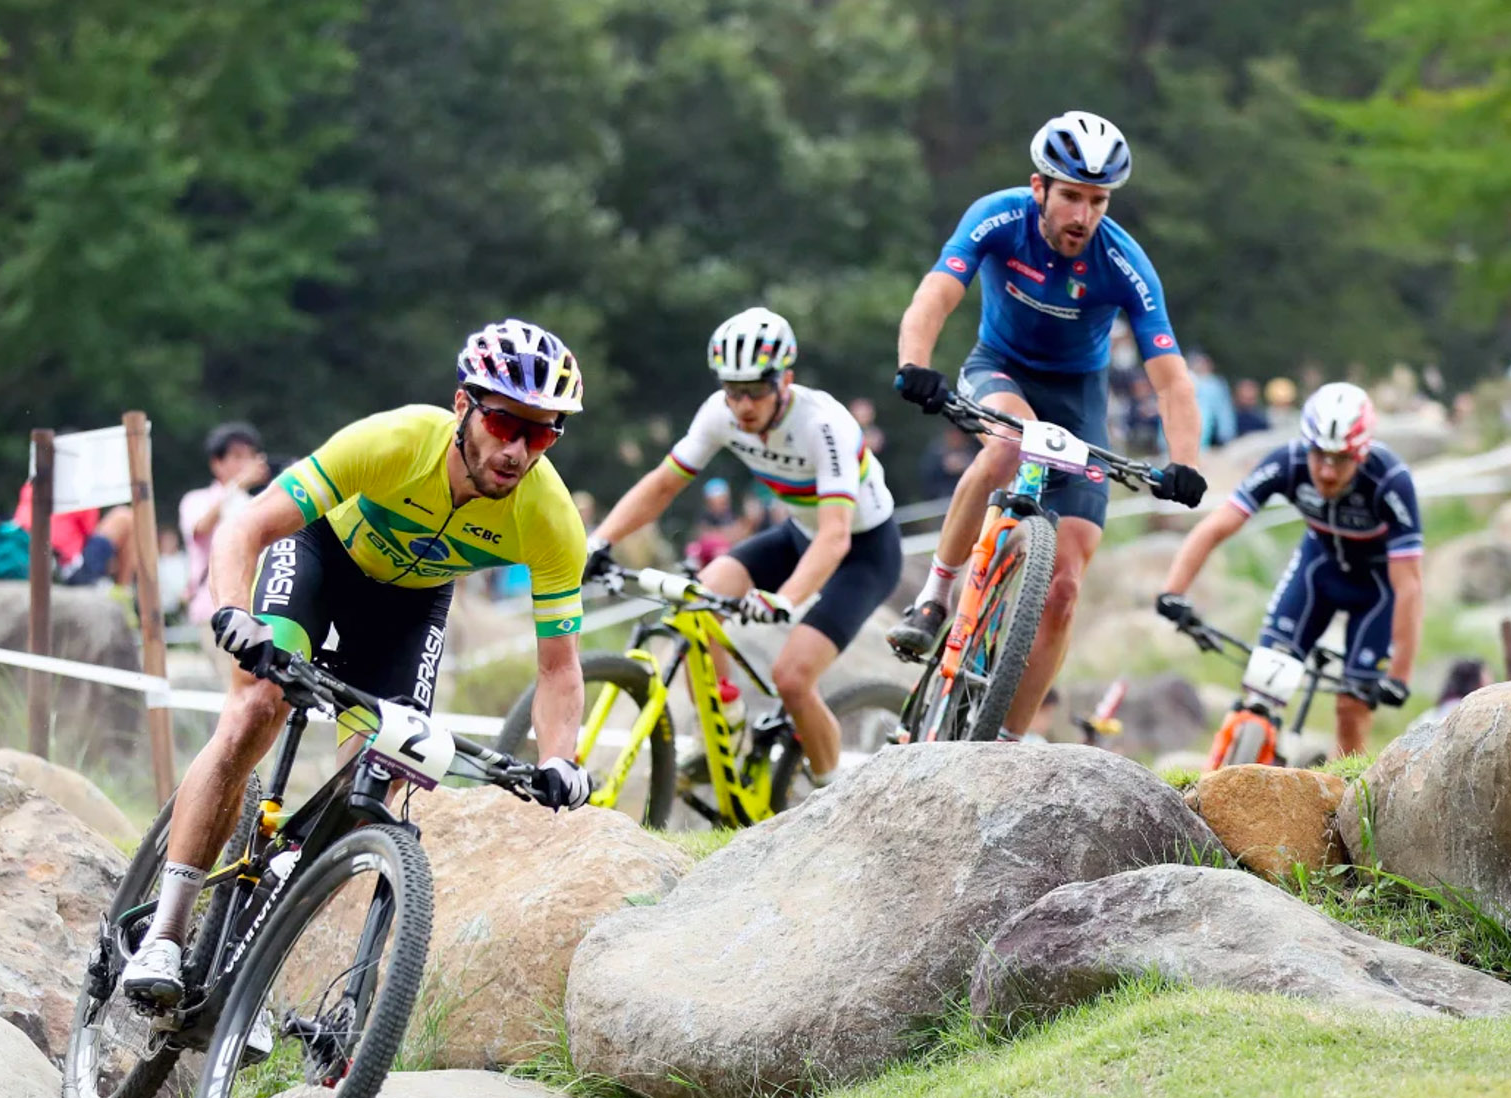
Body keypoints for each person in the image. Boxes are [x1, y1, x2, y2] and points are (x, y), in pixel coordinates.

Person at [119, 319, 595, 1002]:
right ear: (464, 407)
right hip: (319, 558)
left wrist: (560, 760)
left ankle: (249, 974)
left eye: (543, 432)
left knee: (379, 784)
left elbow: (558, 667)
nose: (519, 450)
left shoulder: (549, 517)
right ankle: (162, 936)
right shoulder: (396, 440)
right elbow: (247, 525)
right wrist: (234, 612)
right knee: (257, 705)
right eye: (505, 422)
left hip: (410, 605)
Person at [888, 110, 1207, 740]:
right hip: (1000, 368)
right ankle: (935, 598)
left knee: (1062, 590)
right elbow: (935, 294)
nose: (1082, 217)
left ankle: (1005, 743)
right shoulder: (998, 217)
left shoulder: (1124, 261)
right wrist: (913, 364)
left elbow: (1169, 376)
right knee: (1009, 445)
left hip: (1077, 398)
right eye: (1070, 197)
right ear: (1040, 188)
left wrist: (1186, 462)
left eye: (1097, 201)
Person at [587, 307, 902, 783]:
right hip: (799, 535)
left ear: (786, 381)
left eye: (755, 392)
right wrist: (601, 540)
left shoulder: (824, 424)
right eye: (733, 393)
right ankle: (725, 728)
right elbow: (662, 486)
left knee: (792, 679)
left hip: (863, 551)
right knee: (698, 602)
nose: (743, 406)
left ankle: (832, 793)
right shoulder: (720, 414)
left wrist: (784, 600)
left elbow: (836, 535)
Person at [1155, 382, 1422, 757]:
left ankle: (1350, 794)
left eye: (1341, 459)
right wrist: (1173, 591)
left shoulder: (1390, 481)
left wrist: (1399, 676)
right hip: (1319, 573)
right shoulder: (1287, 462)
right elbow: (1219, 526)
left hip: (1376, 592)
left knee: (1351, 706)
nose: (1327, 471)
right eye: (1319, 456)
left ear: (1361, 455)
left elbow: (1409, 585)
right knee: (1263, 685)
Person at [180, 421, 272, 628]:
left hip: (257, 609)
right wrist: (237, 485)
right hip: (213, 608)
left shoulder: (260, 502)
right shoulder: (196, 500)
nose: (246, 463)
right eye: (238, 456)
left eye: (250, 456)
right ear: (217, 463)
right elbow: (201, 527)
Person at [12, 483, 138, 588]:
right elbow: (89, 531)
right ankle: (122, 591)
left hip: (29, 558)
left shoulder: (31, 485)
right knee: (125, 517)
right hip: (67, 568)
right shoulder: (78, 487)